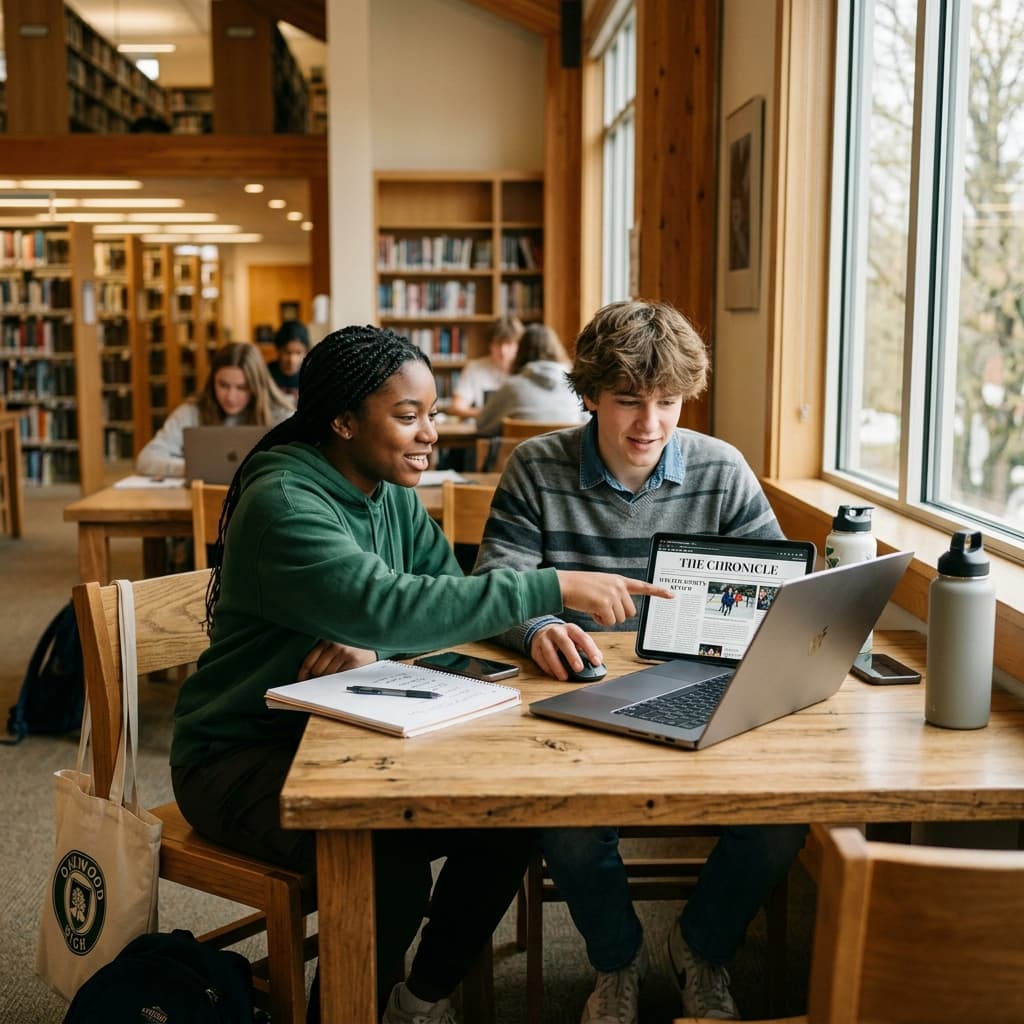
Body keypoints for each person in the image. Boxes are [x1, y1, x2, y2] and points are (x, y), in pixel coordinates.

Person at [168, 325, 670, 1024]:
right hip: (240, 753)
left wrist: (379, 648)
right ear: (344, 421)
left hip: (346, 730)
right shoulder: (283, 501)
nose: (430, 433)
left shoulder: (389, 489)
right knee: (386, 874)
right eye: (408, 416)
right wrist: (552, 586)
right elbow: (388, 604)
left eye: (431, 413)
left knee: (508, 815)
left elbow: (441, 598)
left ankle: (417, 1000)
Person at [473, 300, 808, 1023]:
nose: (649, 424)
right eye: (628, 400)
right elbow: (495, 585)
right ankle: (617, 959)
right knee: (566, 822)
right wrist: (537, 627)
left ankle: (700, 947)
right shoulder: (536, 467)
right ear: (590, 394)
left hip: (700, 686)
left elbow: (779, 596)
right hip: (578, 697)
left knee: (787, 816)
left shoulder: (721, 470)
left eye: (668, 402)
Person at [136, 341, 294, 478]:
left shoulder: (282, 415)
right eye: (223, 385)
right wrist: (191, 469)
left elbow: (298, 464)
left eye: (242, 387)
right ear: (212, 382)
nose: (230, 397)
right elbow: (146, 459)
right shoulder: (191, 412)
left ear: (257, 386)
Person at [474, 323, 588, 436]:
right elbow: (589, 424)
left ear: (520, 352)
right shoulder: (576, 387)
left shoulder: (512, 387)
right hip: (569, 448)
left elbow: (483, 426)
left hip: (521, 448)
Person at [448, 315, 523, 420]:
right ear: (490, 344)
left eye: (509, 344)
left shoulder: (526, 370)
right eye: (498, 344)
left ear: (518, 345)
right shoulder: (474, 368)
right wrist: (489, 414)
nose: (503, 351)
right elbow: (456, 407)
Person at [268, 320, 311, 399]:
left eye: (298, 352)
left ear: (306, 352)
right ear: (278, 350)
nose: (292, 360)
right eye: (287, 352)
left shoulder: (311, 376)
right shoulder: (266, 373)